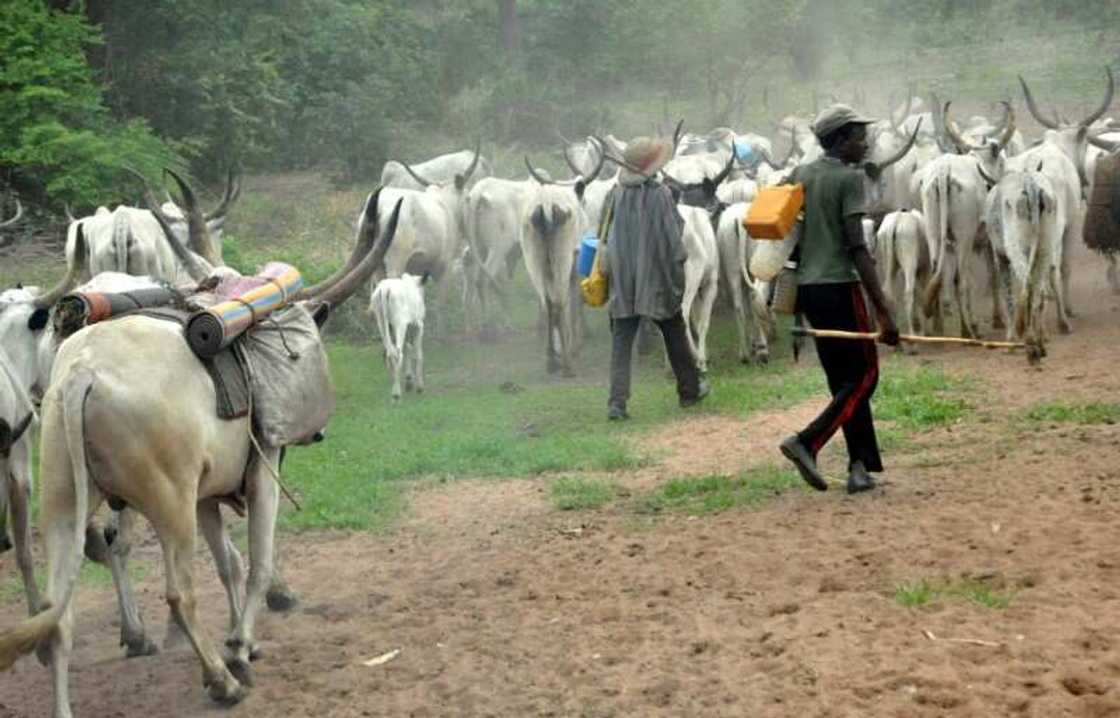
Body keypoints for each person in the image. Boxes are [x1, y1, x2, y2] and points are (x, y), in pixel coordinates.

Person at [778, 105, 900, 494]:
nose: (865, 143)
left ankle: (859, 467)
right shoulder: (850, 179)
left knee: (842, 382)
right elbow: (857, 246)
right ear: (842, 139)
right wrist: (884, 310)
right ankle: (807, 441)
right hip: (841, 286)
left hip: (810, 291)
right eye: (859, 136)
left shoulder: (802, 174)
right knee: (865, 375)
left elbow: (791, 237)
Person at [600, 136, 710, 421]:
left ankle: (617, 403)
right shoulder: (660, 194)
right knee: (673, 330)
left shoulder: (614, 194)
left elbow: (603, 234)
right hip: (656, 279)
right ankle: (689, 391)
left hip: (623, 280)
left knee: (622, 340)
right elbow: (673, 237)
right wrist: (678, 266)